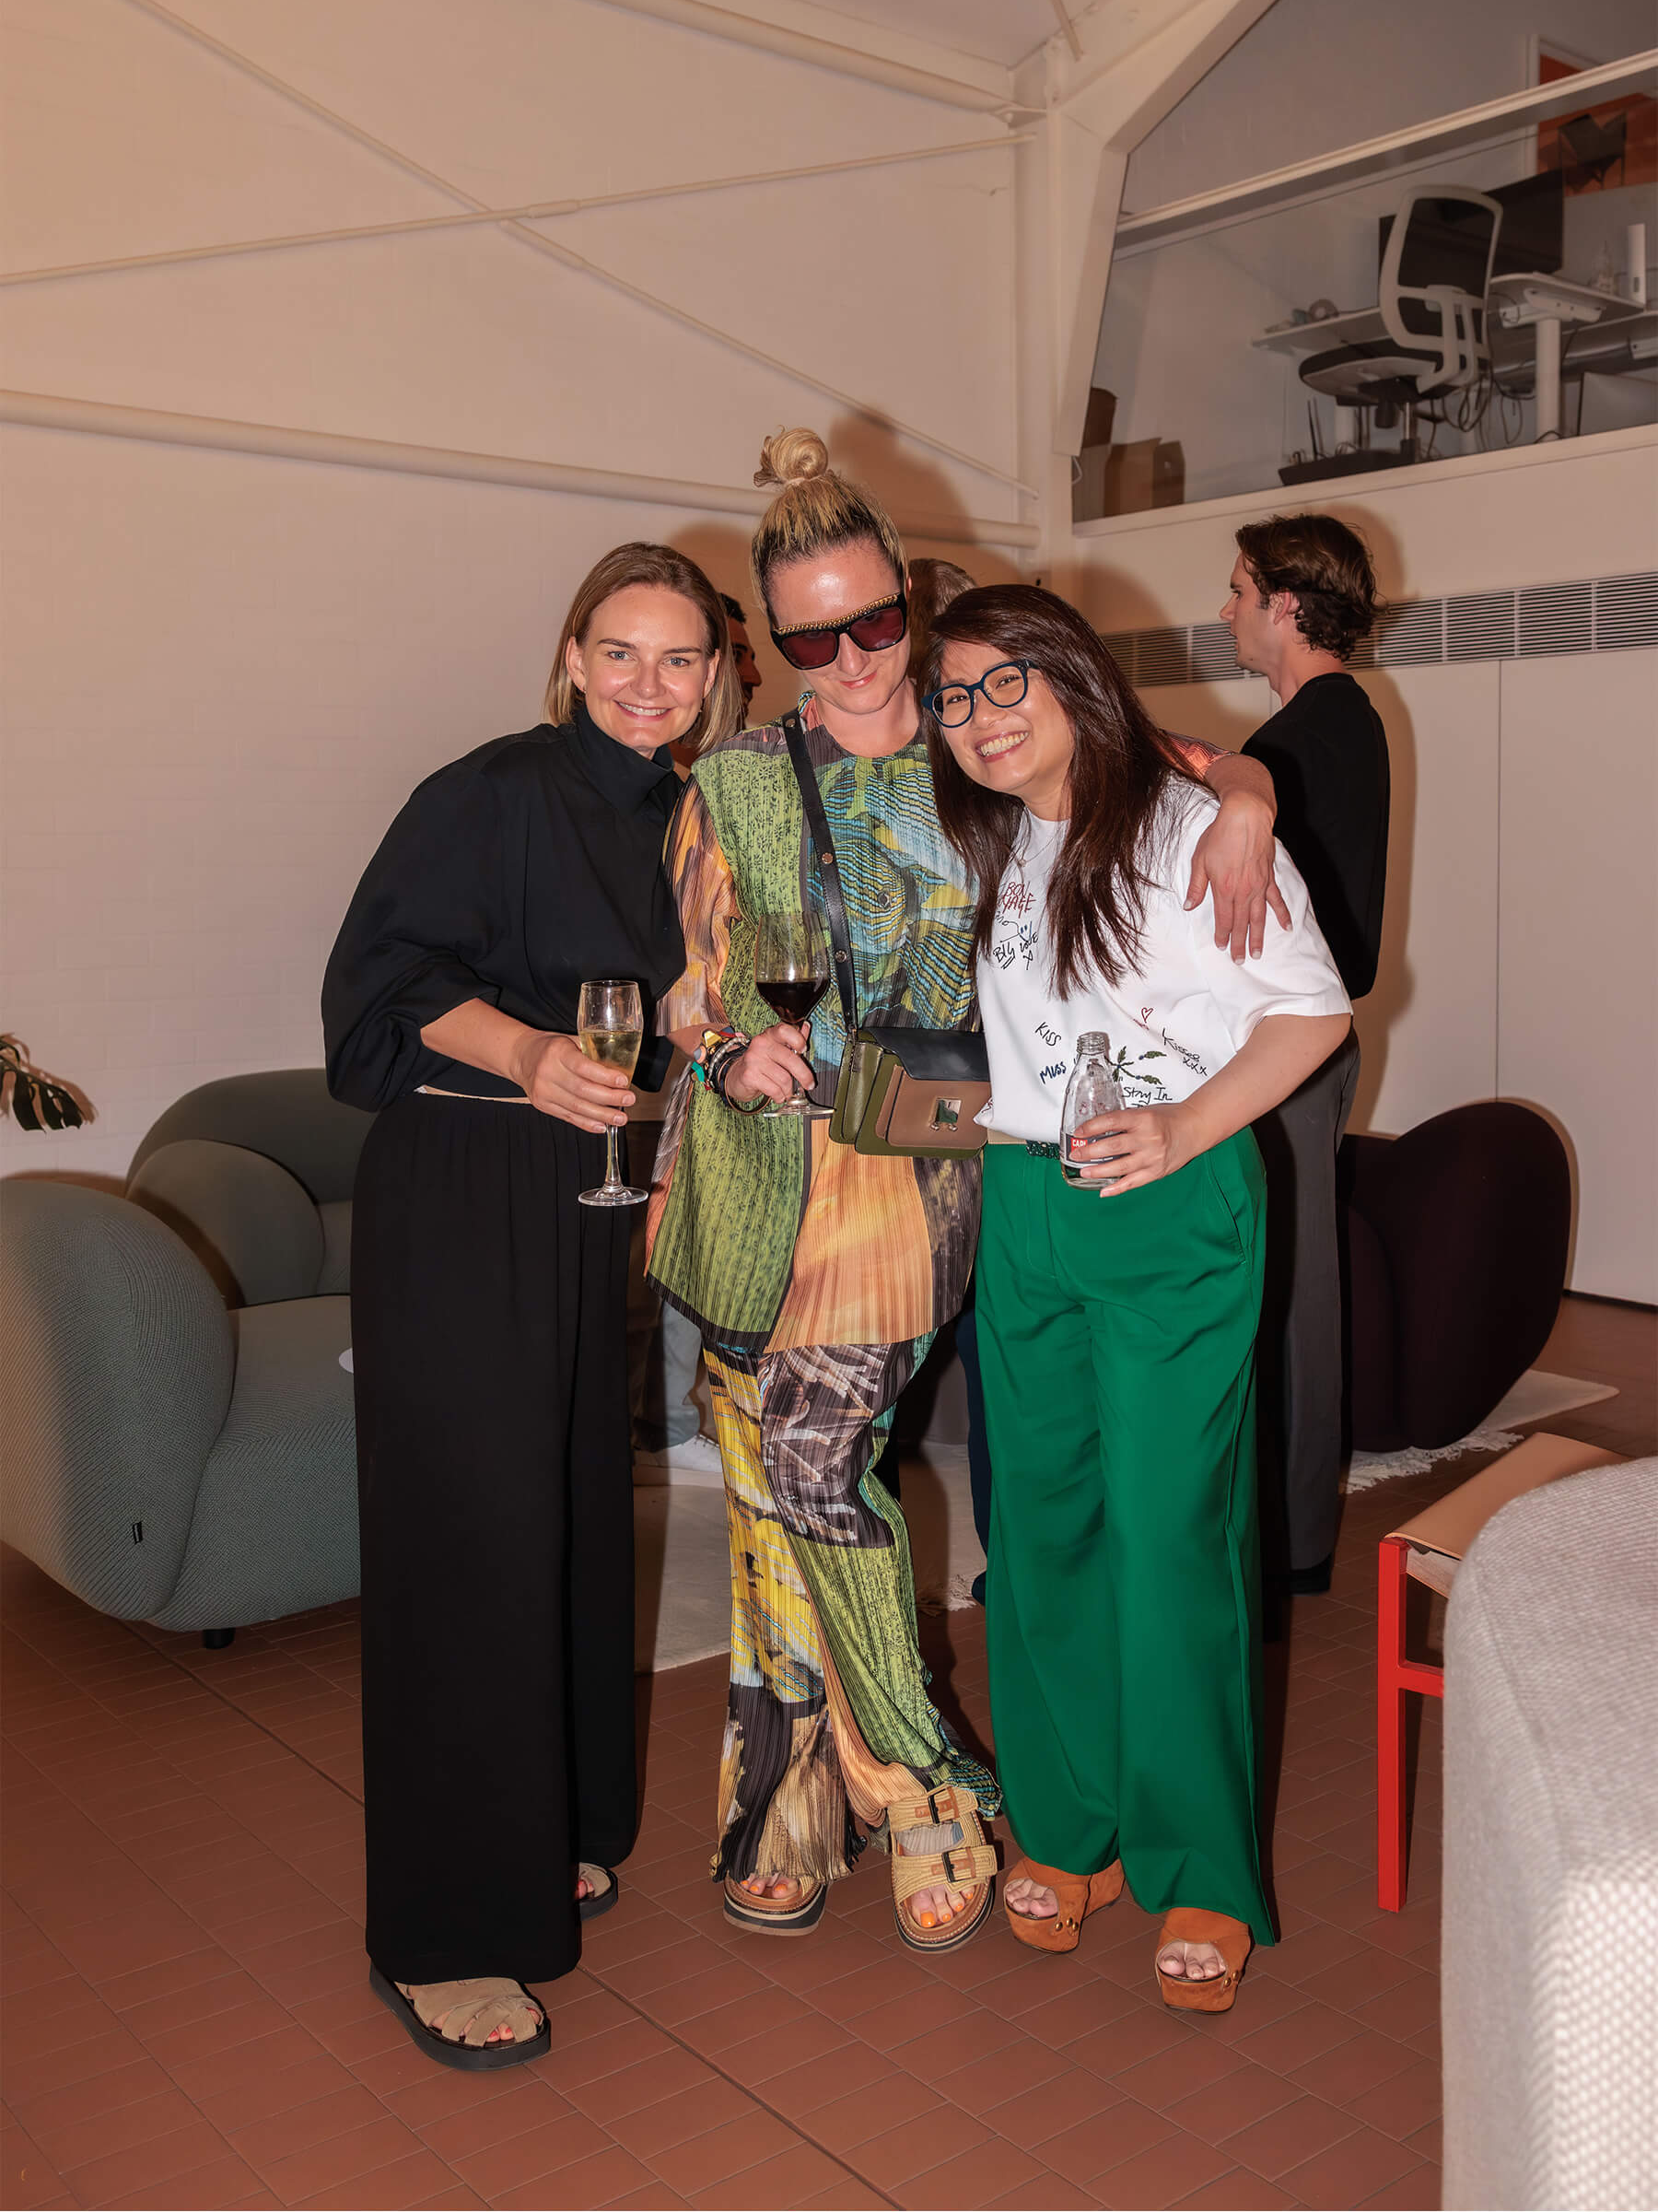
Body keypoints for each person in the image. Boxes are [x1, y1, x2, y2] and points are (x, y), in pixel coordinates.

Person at [646, 430, 1288, 1952]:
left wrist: (1255, 789)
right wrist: (729, 1042)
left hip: (909, 1178)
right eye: (813, 636)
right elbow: (687, 993)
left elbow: (1179, 770)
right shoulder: (729, 780)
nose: (855, 659)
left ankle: (935, 1786)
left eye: (878, 622)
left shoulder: (980, 761)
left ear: (914, 607)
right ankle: (785, 1806)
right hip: (750, 1185)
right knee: (767, 1503)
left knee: (815, 1466)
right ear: (774, 643)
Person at [322, 544, 739, 2066]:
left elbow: (683, 1002)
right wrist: (524, 1054)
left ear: (712, 676)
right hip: (461, 1191)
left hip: (579, 1211)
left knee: (563, 1520)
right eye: (619, 653)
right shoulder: (488, 791)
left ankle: (547, 1823)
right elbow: (376, 988)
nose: (647, 683)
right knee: (467, 1553)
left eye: (678, 658)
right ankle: (441, 1937)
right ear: (570, 657)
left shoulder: (685, 815)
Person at [926, 582, 1350, 2009]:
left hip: (1172, 1202)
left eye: (1003, 686)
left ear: (1069, 680)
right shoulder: (992, 837)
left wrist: (1185, 1127)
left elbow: (1315, 1012)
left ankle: (1204, 1872)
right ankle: (1069, 1828)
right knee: (1039, 1533)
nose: (976, 719)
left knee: (1175, 1537)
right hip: (1034, 1203)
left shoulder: (1187, 828)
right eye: (953, 695)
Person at [1223, 513, 1389, 1593]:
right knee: (1291, 1287)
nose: (1224, 609)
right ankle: (1288, 1535)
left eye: (1238, 589)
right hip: (1303, 1045)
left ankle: (1284, 1546)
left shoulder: (1305, 734)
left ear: (1287, 604)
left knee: (1283, 1293)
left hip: (1293, 1049)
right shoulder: (1336, 721)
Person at [633, 592, 764, 1484]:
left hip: (742, 1043)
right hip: (702, 1038)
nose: (751, 668)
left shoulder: (758, 770)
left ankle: (696, 1417)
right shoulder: (682, 787)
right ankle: (675, 1420)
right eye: (735, 652)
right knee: (690, 1227)